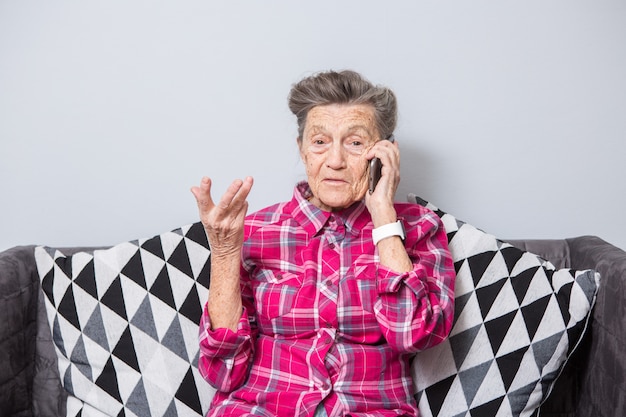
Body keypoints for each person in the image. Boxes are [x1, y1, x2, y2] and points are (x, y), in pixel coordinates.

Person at [190, 70, 456, 417]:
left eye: (355, 143)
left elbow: (414, 334)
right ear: (301, 149)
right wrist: (225, 254)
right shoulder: (253, 230)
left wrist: (382, 216)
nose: (335, 160)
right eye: (319, 141)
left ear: (386, 153)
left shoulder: (418, 227)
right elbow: (223, 371)